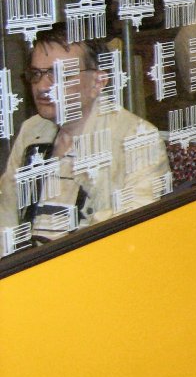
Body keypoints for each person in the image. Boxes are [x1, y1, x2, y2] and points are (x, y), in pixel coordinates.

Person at [0, 25, 171, 245]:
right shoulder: (33, 131)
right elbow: (6, 216)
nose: (42, 87)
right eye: (36, 74)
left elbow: (131, 234)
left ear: (97, 83)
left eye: (59, 74)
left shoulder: (137, 138)